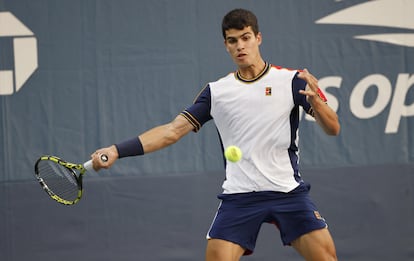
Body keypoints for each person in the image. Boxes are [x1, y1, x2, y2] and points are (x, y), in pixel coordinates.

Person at [91, 8, 340, 261]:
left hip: (288, 192)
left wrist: (318, 105)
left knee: (326, 258)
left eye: (245, 37)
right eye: (233, 41)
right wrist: (116, 150)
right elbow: (171, 131)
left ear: (258, 38)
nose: (240, 46)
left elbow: (333, 128)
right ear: (226, 45)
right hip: (240, 196)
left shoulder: (293, 81)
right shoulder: (217, 92)